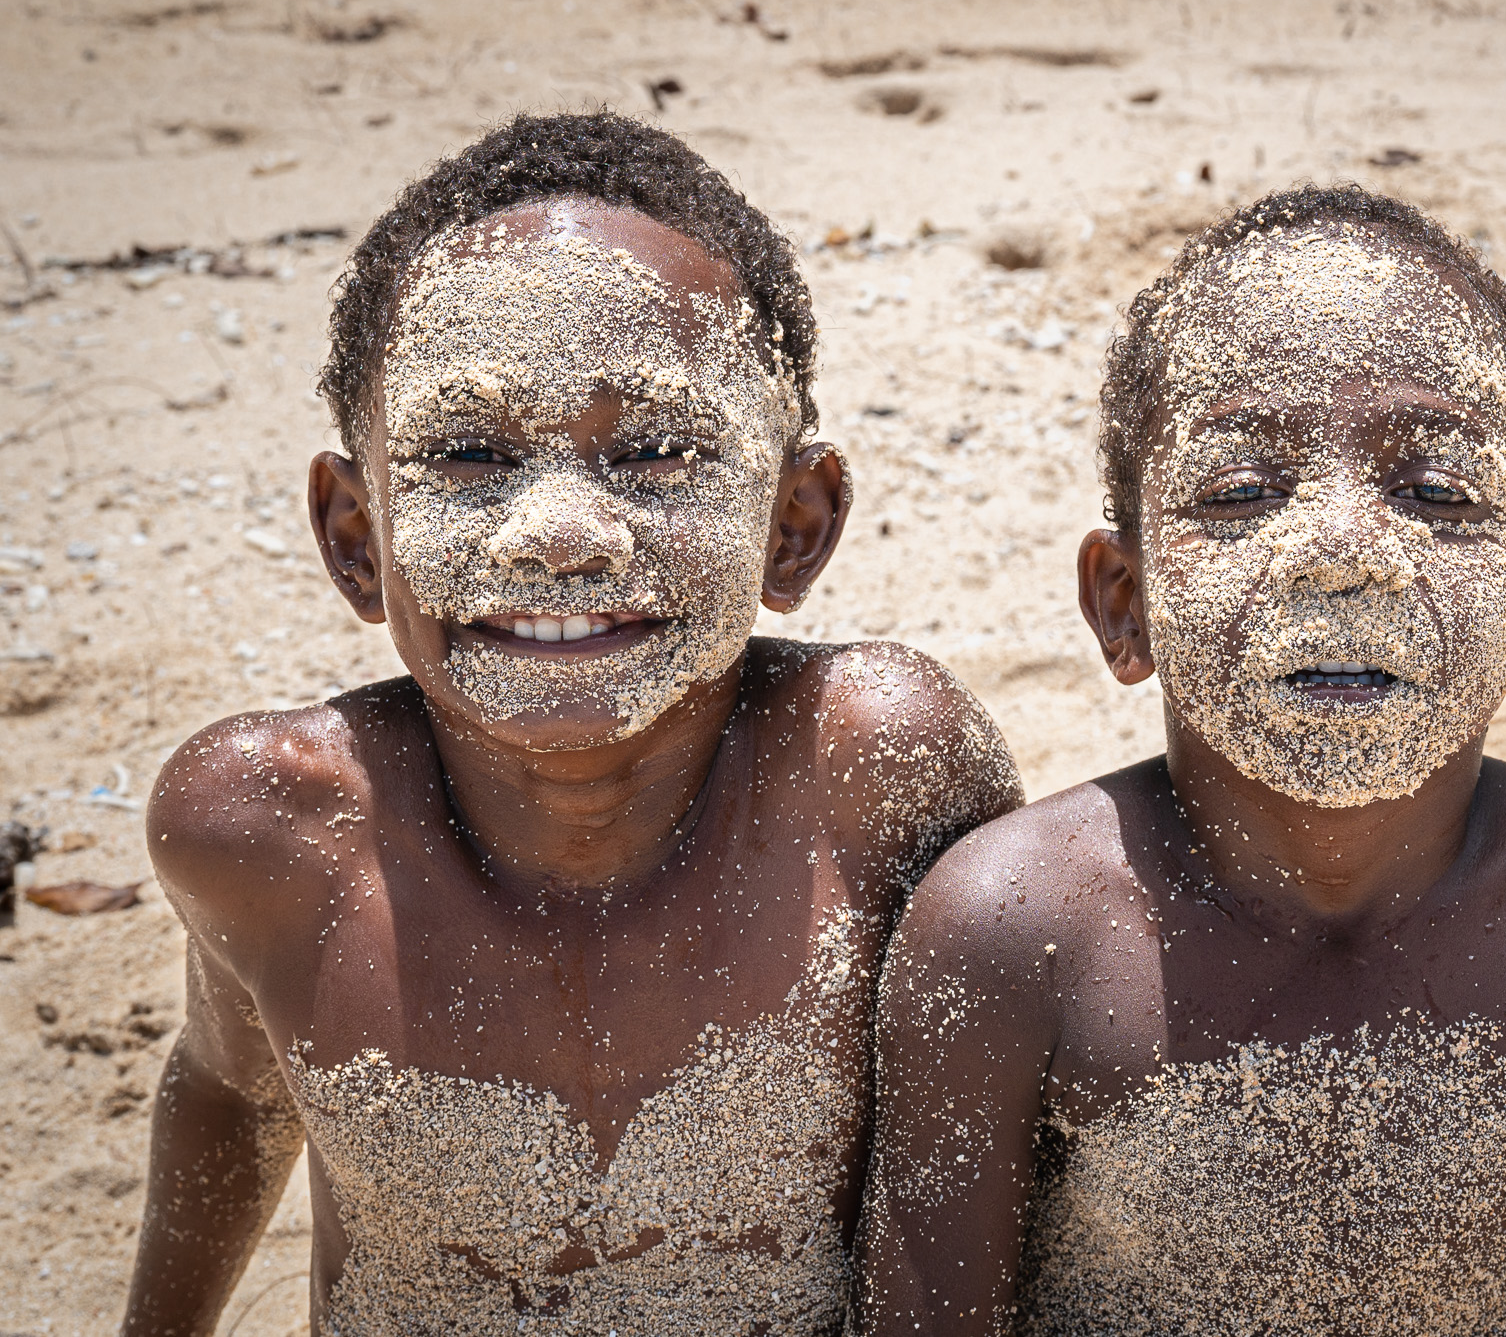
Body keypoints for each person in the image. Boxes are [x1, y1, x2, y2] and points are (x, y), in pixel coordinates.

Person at [851, 185, 1506, 1336]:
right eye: (1241, 491)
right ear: (1127, 603)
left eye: (1433, 490)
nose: (1341, 551)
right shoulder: (1013, 928)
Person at [122, 111, 1021, 1337]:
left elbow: (996, 1142)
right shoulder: (273, 830)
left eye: (655, 451)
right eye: (469, 453)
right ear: (355, 534)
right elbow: (232, 1085)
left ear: (793, 523)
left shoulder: (873, 774)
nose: (557, 530)